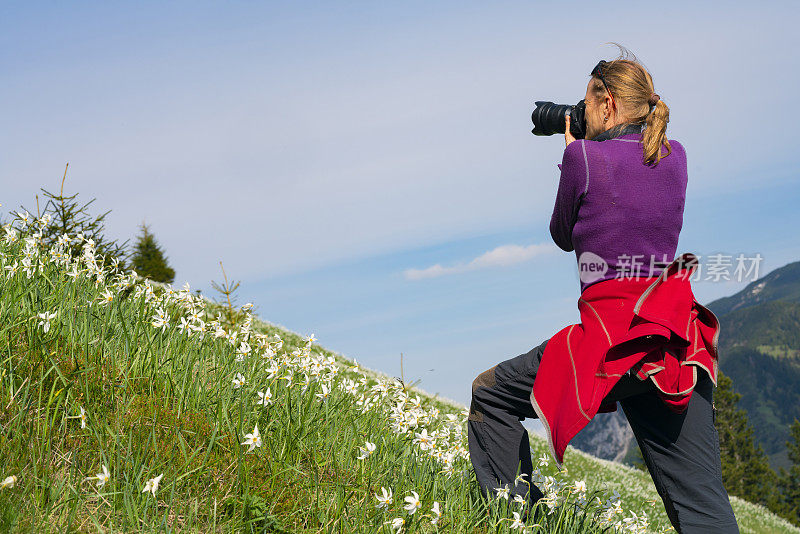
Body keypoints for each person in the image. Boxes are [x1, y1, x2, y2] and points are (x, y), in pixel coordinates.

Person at [467, 49, 740, 533]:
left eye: (589, 103)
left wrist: (573, 152)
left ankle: (514, 521)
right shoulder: (676, 157)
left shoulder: (583, 158)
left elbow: (561, 233)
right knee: (703, 508)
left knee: (490, 394)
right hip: (672, 342)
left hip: (607, 343)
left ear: (608, 104)